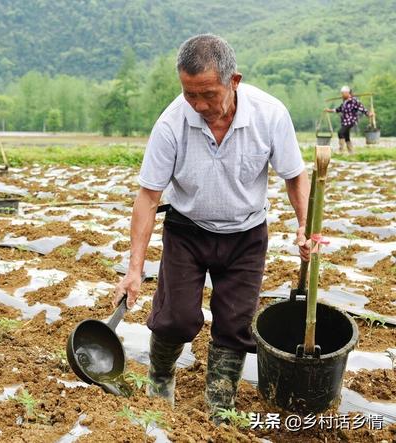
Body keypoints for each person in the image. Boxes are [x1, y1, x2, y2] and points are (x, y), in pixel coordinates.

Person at [113, 34, 310, 424]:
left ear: (233, 80)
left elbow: (295, 176)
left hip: (246, 235)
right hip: (188, 230)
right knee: (176, 317)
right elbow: (148, 197)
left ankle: (220, 404)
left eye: (208, 94)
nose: (200, 105)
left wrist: (305, 226)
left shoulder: (269, 115)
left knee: (236, 324)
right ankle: (160, 377)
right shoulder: (171, 123)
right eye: (190, 95)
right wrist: (134, 269)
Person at [325, 86, 373, 154]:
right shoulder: (345, 102)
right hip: (345, 121)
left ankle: (341, 151)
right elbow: (339, 109)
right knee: (346, 136)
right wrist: (329, 110)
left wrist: (368, 113)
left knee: (340, 132)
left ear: (347, 93)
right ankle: (351, 152)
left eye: (342, 93)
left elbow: (361, 108)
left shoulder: (354, 101)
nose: (341, 95)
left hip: (351, 120)